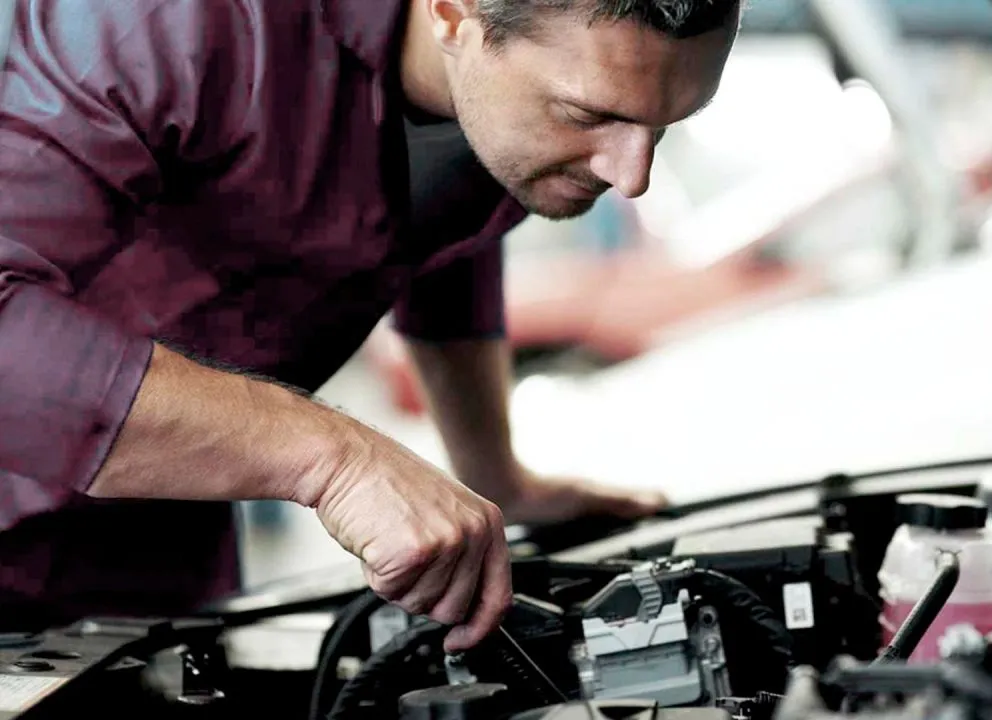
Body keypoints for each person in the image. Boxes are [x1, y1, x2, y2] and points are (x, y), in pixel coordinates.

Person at [0, 0, 741, 651]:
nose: (630, 174)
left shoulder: (505, 100)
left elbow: (442, 234)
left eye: (664, 124)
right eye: (590, 116)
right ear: (454, 11)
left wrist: (494, 474)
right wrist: (337, 460)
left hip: (158, 543)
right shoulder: (174, 22)